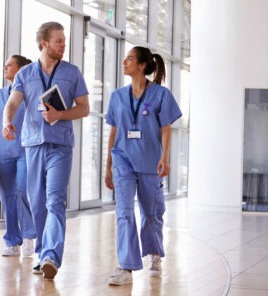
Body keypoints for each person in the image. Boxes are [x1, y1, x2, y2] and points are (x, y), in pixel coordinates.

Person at [1, 21, 90, 280]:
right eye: (59, 41)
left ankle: (51, 254)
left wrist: (60, 114)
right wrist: (7, 122)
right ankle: (42, 253)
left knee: (55, 200)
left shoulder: (72, 73)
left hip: (60, 145)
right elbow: (12, 103)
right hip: (32, 145)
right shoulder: (25, 74)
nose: (64, 45)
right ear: (44, 44)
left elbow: (83, 107)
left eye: (63, 40)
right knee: (37, 202)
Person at [103, 46, 181, 286]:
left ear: (142, 65)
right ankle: (126, 266)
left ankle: (155, 253)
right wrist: (108, 166)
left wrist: (165, 157)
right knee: (124, 212)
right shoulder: (117, 96)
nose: (124, 62)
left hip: (149, 160)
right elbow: (114, 132)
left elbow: (166, 129)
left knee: (151, 212)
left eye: (129, 59)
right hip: (123, 160)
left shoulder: (161, 95)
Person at [0, 55, 38, 257]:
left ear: (22, 69)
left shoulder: (30, 93)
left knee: (23, 191)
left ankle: (29, 236)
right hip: (4, 153)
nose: (5, 67)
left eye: (10, 65)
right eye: (5, 64)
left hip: (26, 150)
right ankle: (13, 240)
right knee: (7, 195)